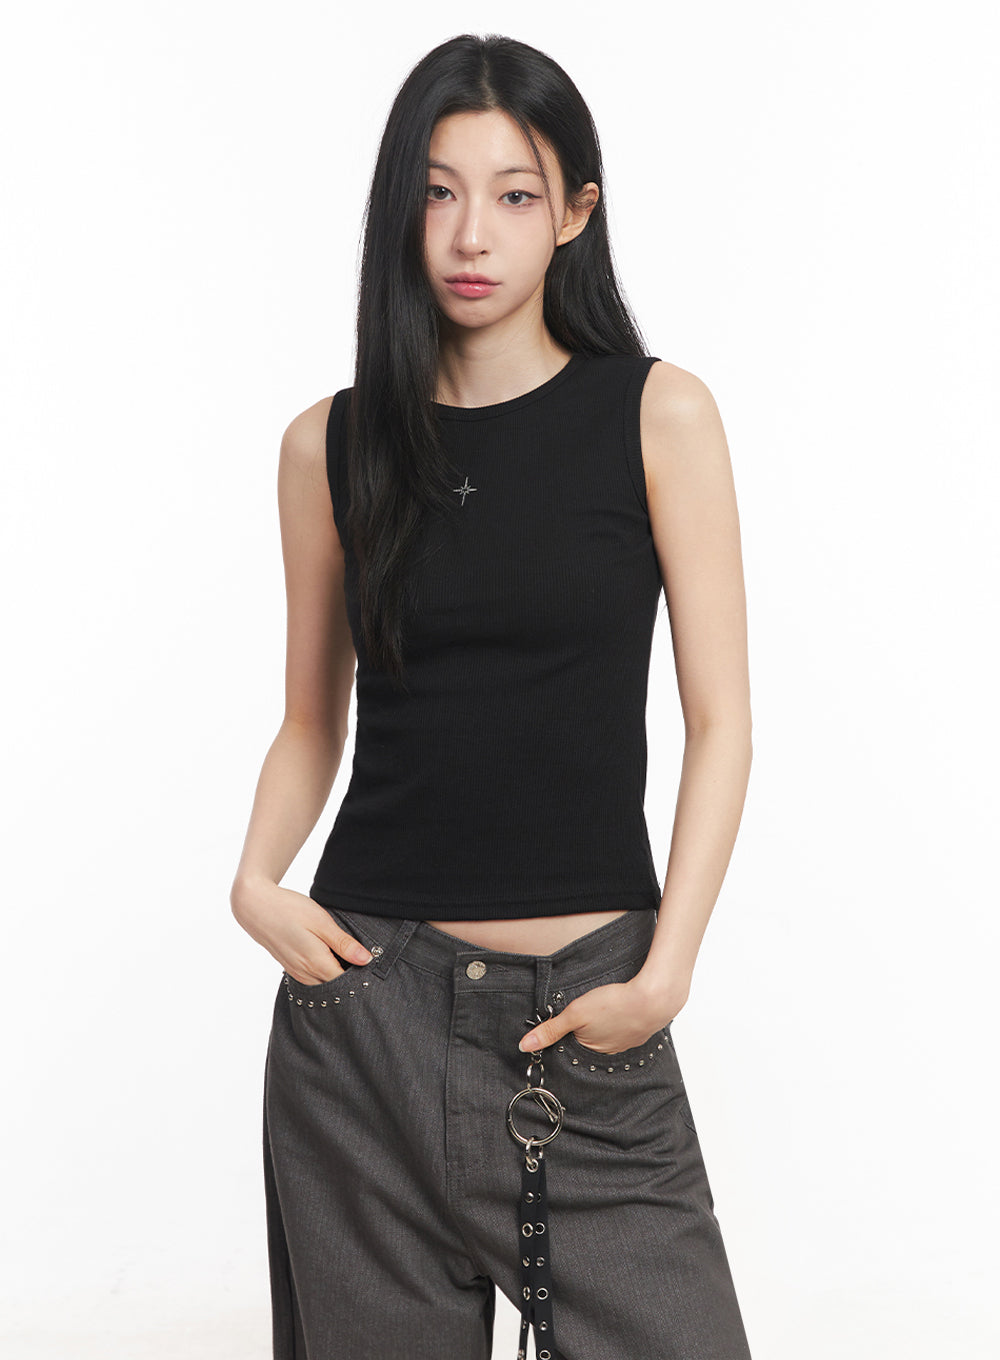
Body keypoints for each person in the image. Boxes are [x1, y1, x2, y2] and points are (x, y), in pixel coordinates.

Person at [231, 32, 754, 1360]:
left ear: (575, 212)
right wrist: (254, 881)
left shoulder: (658, 415)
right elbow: (311, 718)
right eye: (438, 191)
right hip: (364, 1026)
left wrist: (665, 971)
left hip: (589, 1013)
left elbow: (721, 722)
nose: (472, 234)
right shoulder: (330, 445)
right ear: (398, 208)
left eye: (515, 194)